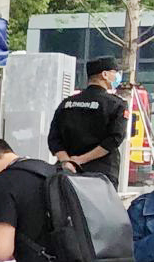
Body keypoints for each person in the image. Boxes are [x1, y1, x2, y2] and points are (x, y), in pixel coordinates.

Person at [47, 57, 129, 188]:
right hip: (101, 173)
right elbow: (114, 139)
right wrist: (80, 160)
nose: (117, 76)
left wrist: (67, 161)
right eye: (115, 72)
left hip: (67, 173)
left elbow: (53, 139)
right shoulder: (116, 104)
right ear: (104, 74)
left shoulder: (66, 104)